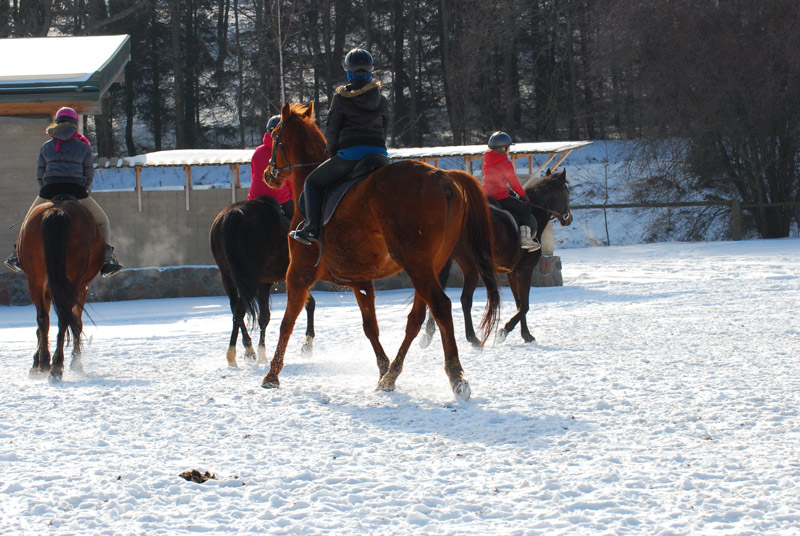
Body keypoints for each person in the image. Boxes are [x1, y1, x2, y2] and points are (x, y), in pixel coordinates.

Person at [4, 107, 123, 277]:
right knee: (103, 222)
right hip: (76, 190)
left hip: (50, 189)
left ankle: (17, 256)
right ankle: (106, 261)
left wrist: (45, 189)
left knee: (28, 221)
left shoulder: (47, 146)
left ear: (57, 123)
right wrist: (84, 189)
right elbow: (88, 173)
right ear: (75, 124)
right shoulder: (83, 147)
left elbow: (40, 174)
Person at [289, 48, 390, 245]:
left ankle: (311, 229)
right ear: (370, 72)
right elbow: (385, 128)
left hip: (351, 156)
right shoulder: (382, 99)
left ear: (348, 72)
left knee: (311, 183)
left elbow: (332, 129)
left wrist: (333, 151)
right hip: (379, 154)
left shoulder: (342, 97)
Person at [481, 131, 540, 251]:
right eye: (509, 148)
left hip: (486, 194)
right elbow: (514, 183)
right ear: (503, 148)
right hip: (500, 196)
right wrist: (524, 196)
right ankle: (525, 240)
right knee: (525, 209)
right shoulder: (505, 162)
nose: (509, 150)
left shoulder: (487, 159)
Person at [249, 114, 294, 217]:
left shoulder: (257, 151)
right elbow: (290, 180)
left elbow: (253, 175)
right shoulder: (285, 151)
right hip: (279, 197)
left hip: (255, 196)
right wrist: (291, 196)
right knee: (298, 222)